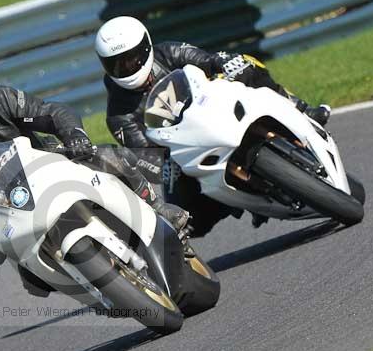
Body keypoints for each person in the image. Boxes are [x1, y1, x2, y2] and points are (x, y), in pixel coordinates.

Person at [0, 61, 189, 272]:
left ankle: (155, 208)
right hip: (14, 216)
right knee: (30, 279)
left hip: (51, 167)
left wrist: (74, 135)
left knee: (109, 156)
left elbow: (47, 113)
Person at [95, 16, 332, 234]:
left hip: (213, 109)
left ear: (146, 47)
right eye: (117, 64)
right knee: (188, 219)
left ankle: (299, 107)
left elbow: (206, 60)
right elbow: (148, 153)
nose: (127, 67)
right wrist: (164, 164)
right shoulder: (118, 115)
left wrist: (222, 62)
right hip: (184, 149)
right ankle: (238, 201)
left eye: (132, 58)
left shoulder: (169, 52)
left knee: (245, 65)